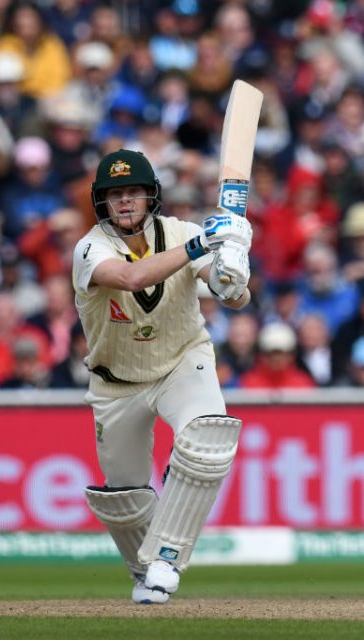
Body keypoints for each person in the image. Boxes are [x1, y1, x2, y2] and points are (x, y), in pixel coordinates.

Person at [71, 149, 253, 605]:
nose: (126, 202)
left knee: (208, 440)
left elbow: (230, 295)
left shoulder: (182, 231)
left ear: (151, 196)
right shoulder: (90, 249)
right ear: (103, 203)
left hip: (181, 361)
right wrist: (202, 246)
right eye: (116, 195)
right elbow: (132, 278)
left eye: (133, 192)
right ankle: (143, 571)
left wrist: (232, 273)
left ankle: (167, 559)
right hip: (116, 384)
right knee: (123, 498)